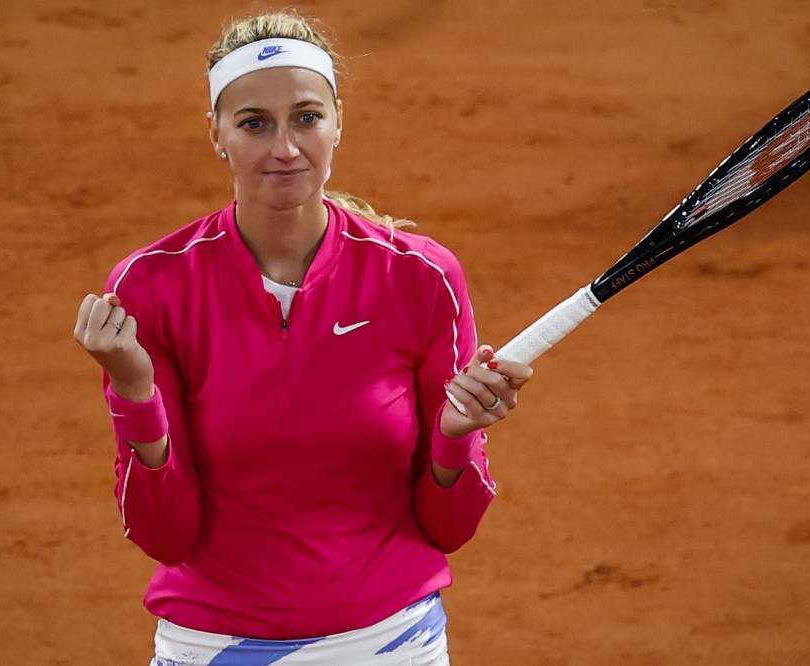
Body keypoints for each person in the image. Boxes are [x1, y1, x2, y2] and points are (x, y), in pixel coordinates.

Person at [73, 10, 533, 666]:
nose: (285, 148)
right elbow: (164, 534)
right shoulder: (153, 286)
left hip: (391, 642)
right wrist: (133, 390)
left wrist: (454, 437)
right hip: (213, 643)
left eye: (307, 118)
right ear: (217, 136)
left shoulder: (422, 278)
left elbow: (449, 527)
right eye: (254, 123)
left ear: (338, 121)